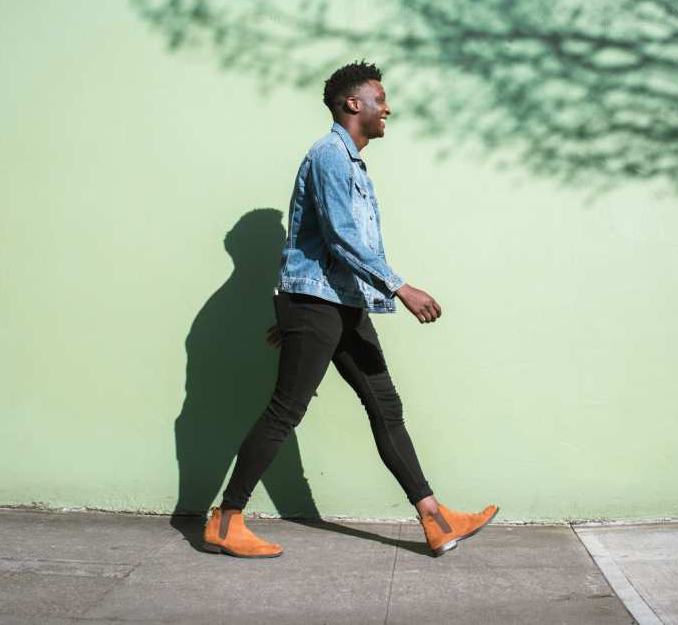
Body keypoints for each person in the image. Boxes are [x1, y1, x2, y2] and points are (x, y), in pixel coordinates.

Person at [203, 60, 498, 559]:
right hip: (319, 304)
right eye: (380, 99)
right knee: (285, 410)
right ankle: (227, 519)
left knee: (386, 406)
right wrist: (400, 288)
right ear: (353, 104)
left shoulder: (351, 161)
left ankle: (436, 519)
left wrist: (298, 312)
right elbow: (340, 237)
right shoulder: (329, 156)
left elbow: (319, 247)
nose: (388, 108)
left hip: (338, 302)